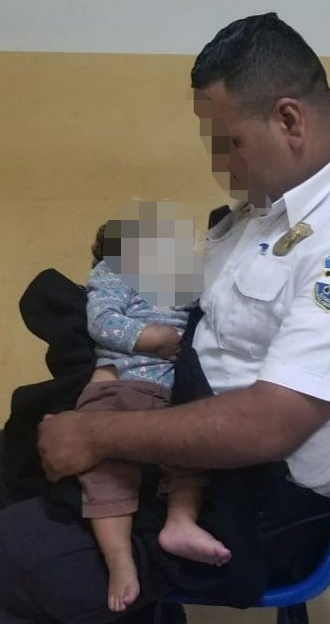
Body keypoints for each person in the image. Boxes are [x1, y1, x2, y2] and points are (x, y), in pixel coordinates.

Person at [0, 12, 330, 624]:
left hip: (255, 497)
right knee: (13, 450)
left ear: (289, 120)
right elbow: (203, 313)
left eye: (228, 141)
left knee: (0, 557)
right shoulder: (276, 201)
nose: (221, 163)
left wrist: (97, 435)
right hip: (191, 417)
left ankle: (108, 574)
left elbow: (269, 426)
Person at [79, 218, 229, 613]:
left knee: (189, 454)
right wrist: (152, 339)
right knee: (107, 474)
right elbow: (101, 321)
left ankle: (180, 522)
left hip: (169, 390)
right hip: (121, 390)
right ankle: (119, 560)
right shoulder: (114, 274)